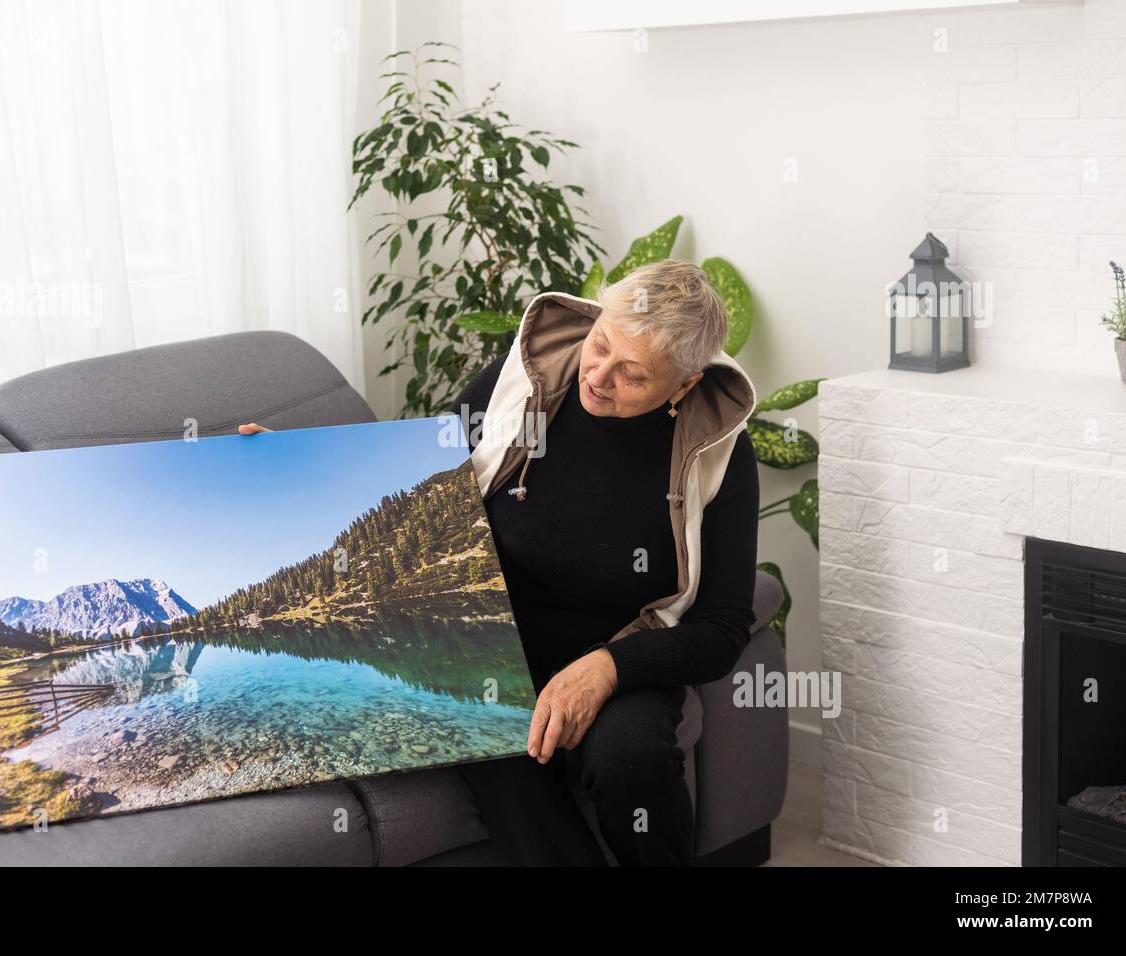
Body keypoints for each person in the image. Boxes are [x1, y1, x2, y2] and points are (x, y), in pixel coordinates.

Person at [242, 258, 760, 866]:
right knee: (484, 731)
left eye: (633, 374)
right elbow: (420, 476)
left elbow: (723, 627)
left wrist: (606, 668)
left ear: (683, 386)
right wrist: (295, 457)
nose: (599, 376)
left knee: (631, 761)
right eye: (600, 345)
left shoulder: (718, 454)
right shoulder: (524, 380)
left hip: (623, 650)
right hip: (489, 639)